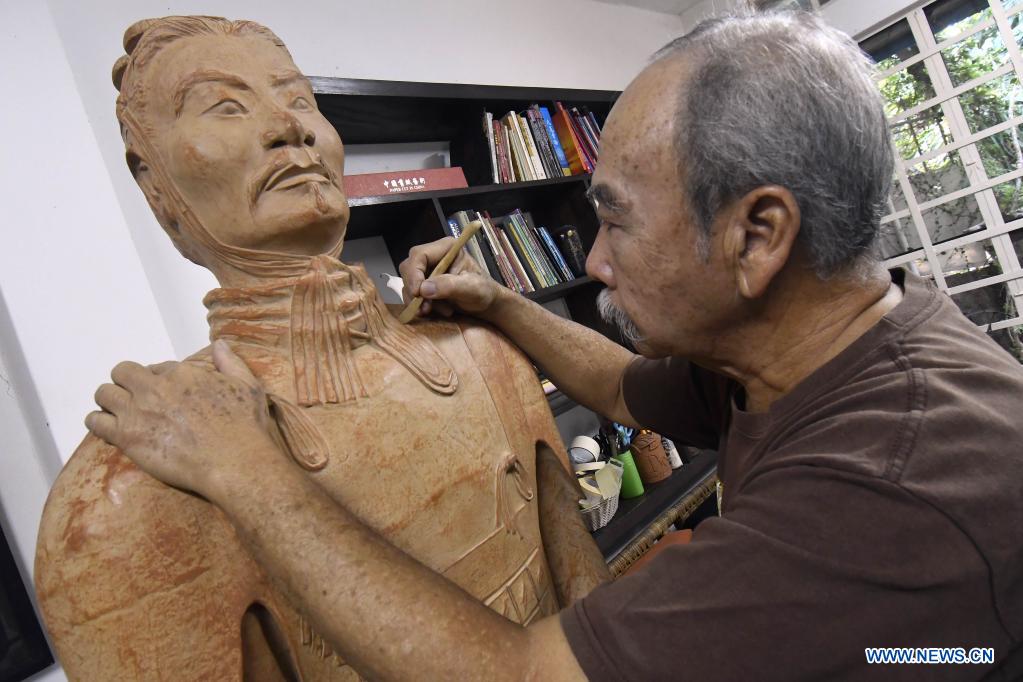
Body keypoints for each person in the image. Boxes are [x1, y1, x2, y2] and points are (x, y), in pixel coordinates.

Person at [86, 10, 1023, 681]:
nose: (593, 257)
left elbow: (532, 668)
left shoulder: (888, 486)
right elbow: (623, 387)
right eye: (224, 107)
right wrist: (500, 303)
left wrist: (253, 475)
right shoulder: (821, 345)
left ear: (755, 237)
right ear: (154, 184)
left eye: (613, 218)